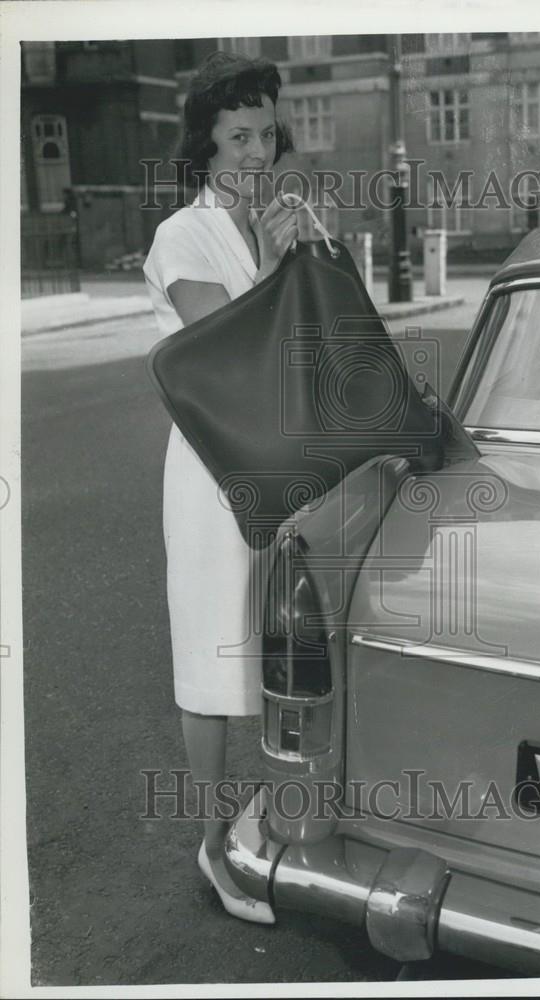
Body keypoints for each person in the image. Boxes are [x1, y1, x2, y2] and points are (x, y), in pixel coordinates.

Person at [142, 51, 299, 923]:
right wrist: (279, 266)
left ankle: (281, 822)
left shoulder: (271, 220)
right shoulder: (183, 235)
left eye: (266, 132)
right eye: (237, 135)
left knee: (285, 651)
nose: (254, 150)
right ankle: (212, 849)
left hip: (283, 464)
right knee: (212, 658)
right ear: (204, 146)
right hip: (211, 474)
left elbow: (313, 338)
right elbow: (234, 355)